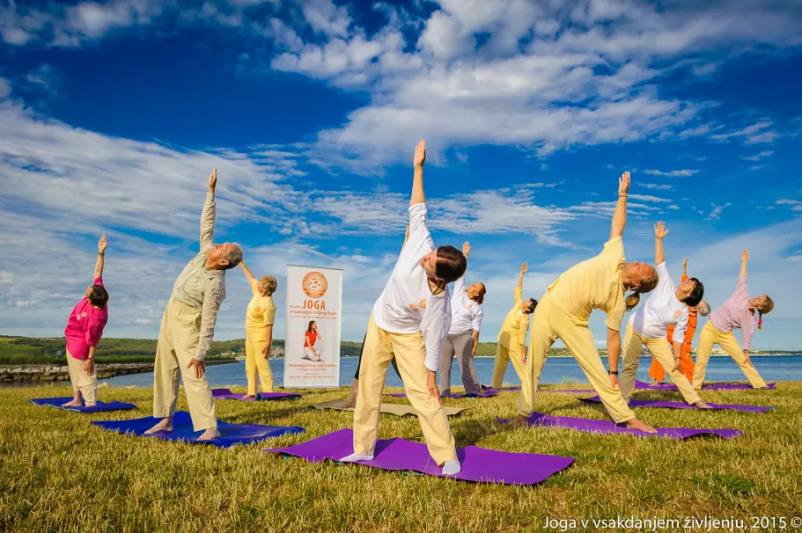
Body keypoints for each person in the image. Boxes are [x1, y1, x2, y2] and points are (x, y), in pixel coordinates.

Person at [339, 140, 466, 475]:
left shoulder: (438, 299)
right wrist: (418, 167)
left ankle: (446, 454)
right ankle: (363, 449)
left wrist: (431, 375)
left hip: (409, 336)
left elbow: (434, 336)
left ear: (439, 275)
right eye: (432, 252)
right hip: (379, 321)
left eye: (432, 261)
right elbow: (418, 207)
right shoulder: (422, 239)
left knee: (423, 394)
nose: (426, 256)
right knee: (369, 387)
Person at [512, 171, 658, 433]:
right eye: (640, 262)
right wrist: (623, 195)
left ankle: (626, 417)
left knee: (598, 372)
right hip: (548, 304)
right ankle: (523, 413)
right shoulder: (617, 255)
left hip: (573, 322)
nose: (637, 262)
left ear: (637, 284)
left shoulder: (618, 302)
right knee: (532, 364)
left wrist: (614, 372)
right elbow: (618, 225)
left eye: (642, 267)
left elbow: (614, 337)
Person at [145, 168, 244, 440]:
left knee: (192, 372)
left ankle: (210, 426)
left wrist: (201, 353)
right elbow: (206, 223)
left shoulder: (216, 285)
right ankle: (165, 419)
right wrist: (211, 192)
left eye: (220, 247)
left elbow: (209, 320)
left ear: (224, 261)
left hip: (189, 320)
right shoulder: (204, 253)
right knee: (165, 366)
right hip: (171, 311)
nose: (215, 245)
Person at [619, 222, 711, 408]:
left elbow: (678, 337)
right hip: (635, 328)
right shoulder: (666, 284)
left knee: (674, 369)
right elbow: (660, 261)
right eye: (689, 280)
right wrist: (658, 239)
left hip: (657, 338)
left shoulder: (683, 313)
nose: (686, 282)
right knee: (630, 367)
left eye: (690, 284)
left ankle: (695, 400)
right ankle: (623, 402)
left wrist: (677, 358)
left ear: (690, 294)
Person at [693, 250, 773, 389]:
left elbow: (748, 334)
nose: (756, 298)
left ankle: (760, 385)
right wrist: (744, 262)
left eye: (760, 300)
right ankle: (695, 387)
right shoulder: (743, 294)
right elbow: (743, 278)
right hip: (710, 328)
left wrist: (746, 351)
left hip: (726, 335)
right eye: (759, 296)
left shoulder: (751, 318)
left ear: (760, 307)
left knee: (743, 360)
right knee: (702, 359)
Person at [63, 235, 110, 407]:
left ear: (91, 300)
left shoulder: (96, 319)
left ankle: (90, 404)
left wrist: (90, 359)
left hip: (82, 345)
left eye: (89, 290)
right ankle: (76, 399)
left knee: (86, 373)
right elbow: (98, 272)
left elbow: (93, 341)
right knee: (75, 372)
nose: (89, 287)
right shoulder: (100, 293)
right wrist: (100, 252)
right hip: (72, 340)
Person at [647, 257, 710, 384]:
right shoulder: (686, 302)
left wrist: (685, 348)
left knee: (684, 359)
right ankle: (657, 379)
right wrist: (684, 269)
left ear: (699, 311)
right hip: (667, 332)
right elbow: (685, 283)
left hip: (680, 340)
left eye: (698, 307)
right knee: (658, 353)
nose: (696, 306)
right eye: (698, 304)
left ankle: (695, 379)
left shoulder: (693, 318)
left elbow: (688, 337)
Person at [440, 241, 486, 397]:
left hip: (463, 337)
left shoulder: (477, 309)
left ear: (477, 294)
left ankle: (473, 391)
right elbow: (461, 275)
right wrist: (465, 255)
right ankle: (444, 393)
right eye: (473, 284)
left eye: (475, 286)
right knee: (444, 365)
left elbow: (476, 330)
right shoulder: (459, 292)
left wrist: (474, 347)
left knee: (465, 366)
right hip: (447, 335)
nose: (471, 286)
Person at [491, 262, 536, 389]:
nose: (525, 300)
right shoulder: (518, 305)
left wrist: (523, 354)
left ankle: (530, 386)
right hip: (503, 339)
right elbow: (518, 289)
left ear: (528, 307)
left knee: (521, 365)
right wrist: (522, 273)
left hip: (514, 344)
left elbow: (522, 338)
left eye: (527, 300)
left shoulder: (525, 320)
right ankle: (495, 387)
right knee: (499, 364)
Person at [240, 262, 277, 399]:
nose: (258, 283)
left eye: (261, 282)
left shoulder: (268, 304)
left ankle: (268, 393)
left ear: (266, 288)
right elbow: (251, 278)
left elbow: (269, 326)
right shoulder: (257, 292)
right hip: (249, 336)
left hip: (261, 337)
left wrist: (268, 344)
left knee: (262, 365)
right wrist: (241, 264)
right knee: (250, 365)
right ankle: (251, 392)